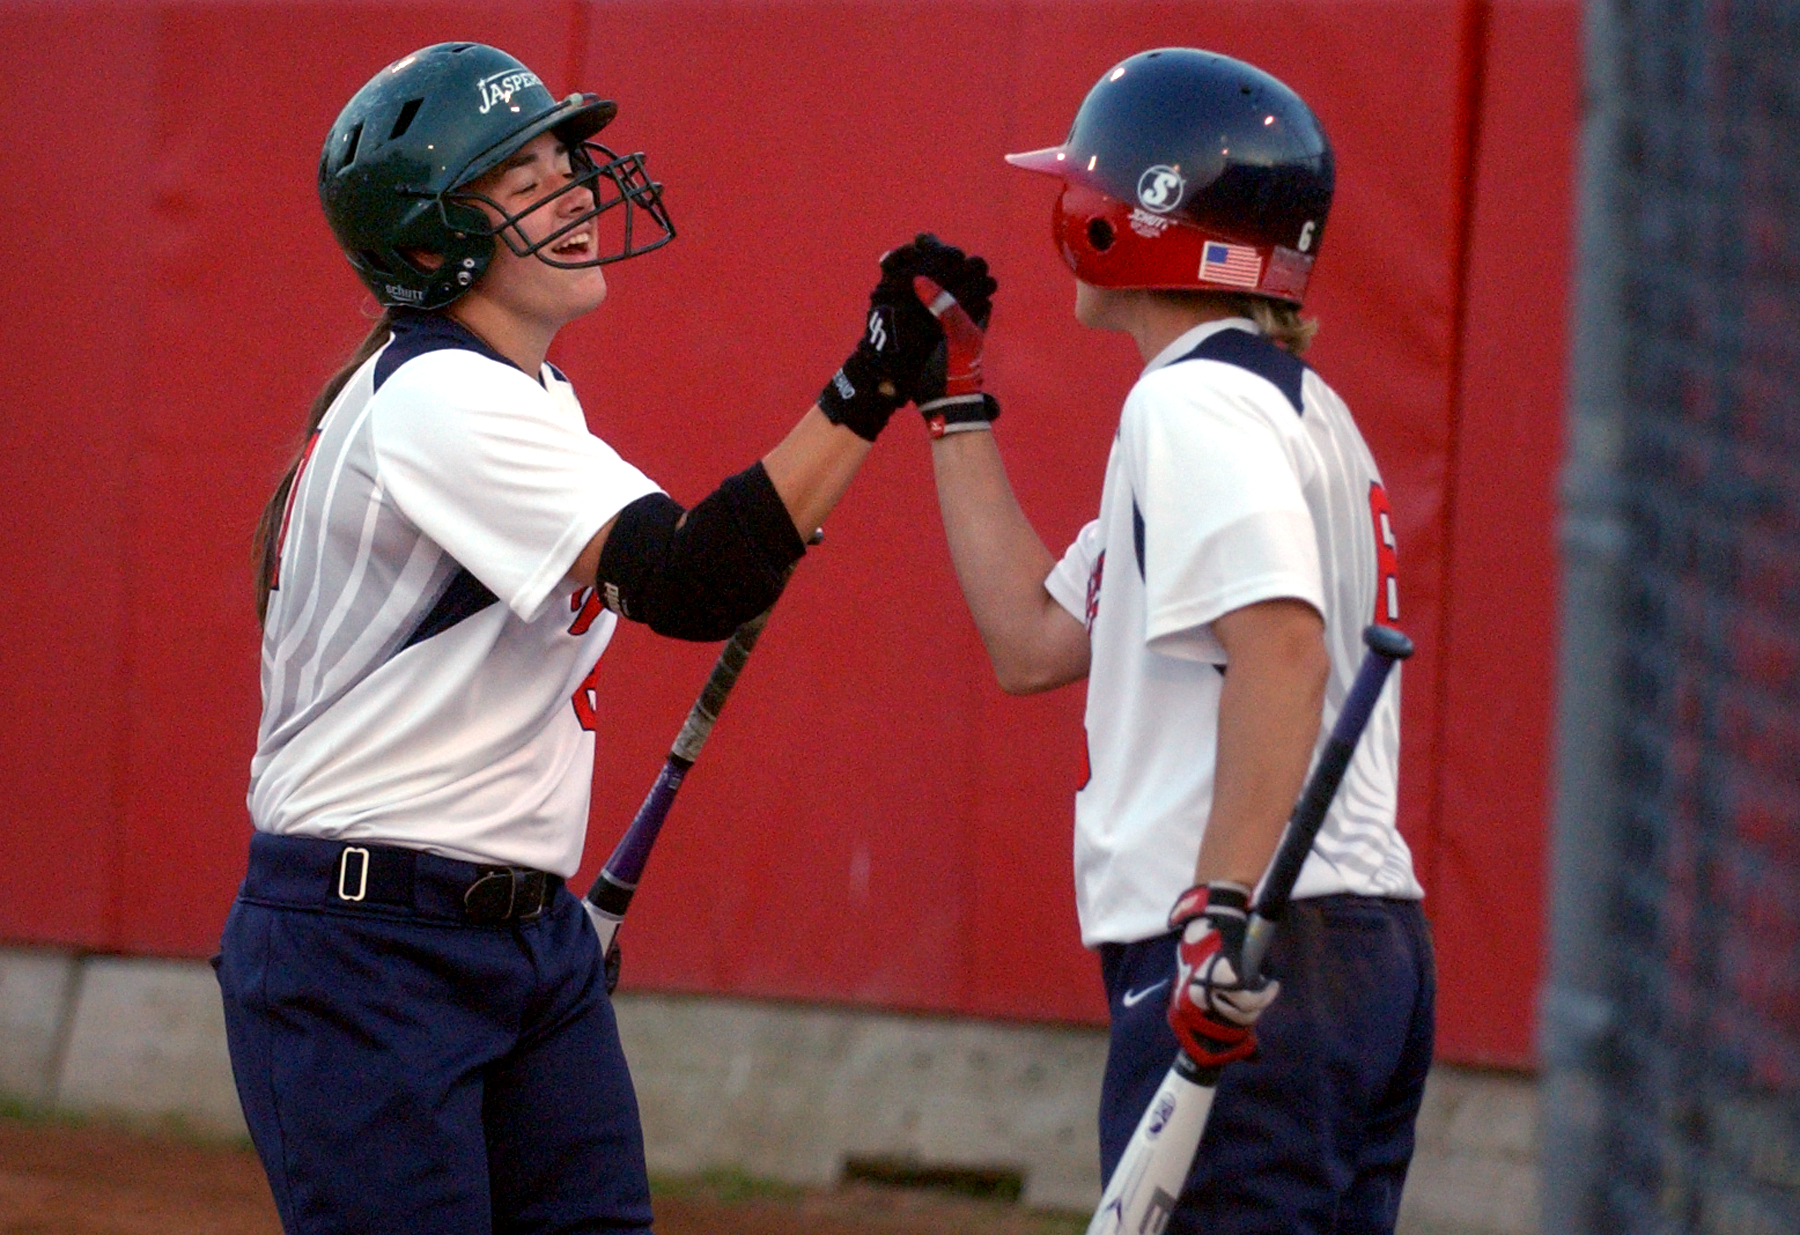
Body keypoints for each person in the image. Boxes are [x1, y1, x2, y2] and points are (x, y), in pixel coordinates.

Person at [216, 42, 991, 1235]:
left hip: (522, 937)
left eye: (563, 161)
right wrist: (866, 382)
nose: (575, 189)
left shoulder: (527, 394)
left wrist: (872, 391)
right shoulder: (435, 397)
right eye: (520, 177)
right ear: (430, 241)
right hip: (368, 951)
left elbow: (707, 564)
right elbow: (692, 577)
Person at [908, 48, 1434, 1234]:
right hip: (1349, 941)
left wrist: (1221, 908)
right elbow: (1033, 639)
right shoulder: (1275, 399)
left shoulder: (1190, 406)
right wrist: (954, 403)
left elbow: (1282, 648)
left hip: (1262, 937)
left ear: (1128, 217)